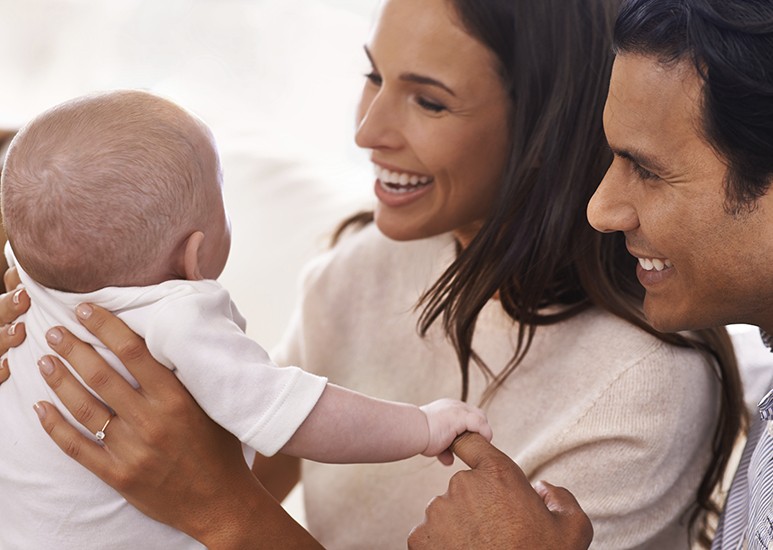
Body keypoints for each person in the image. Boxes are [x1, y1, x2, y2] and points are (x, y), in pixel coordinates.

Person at [0, 0, 748, 548]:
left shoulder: (642, 390)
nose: (366, 131)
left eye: (427, 100)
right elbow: (248, 446)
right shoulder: (368, 262)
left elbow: (221, 499)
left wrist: (219, 505)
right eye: (373, 76)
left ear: (547, 126)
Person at [0, 89, 491, 548]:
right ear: (193, 257)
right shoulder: (178, 316)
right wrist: (422, 426)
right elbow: (293, 415)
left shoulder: (25, 281)